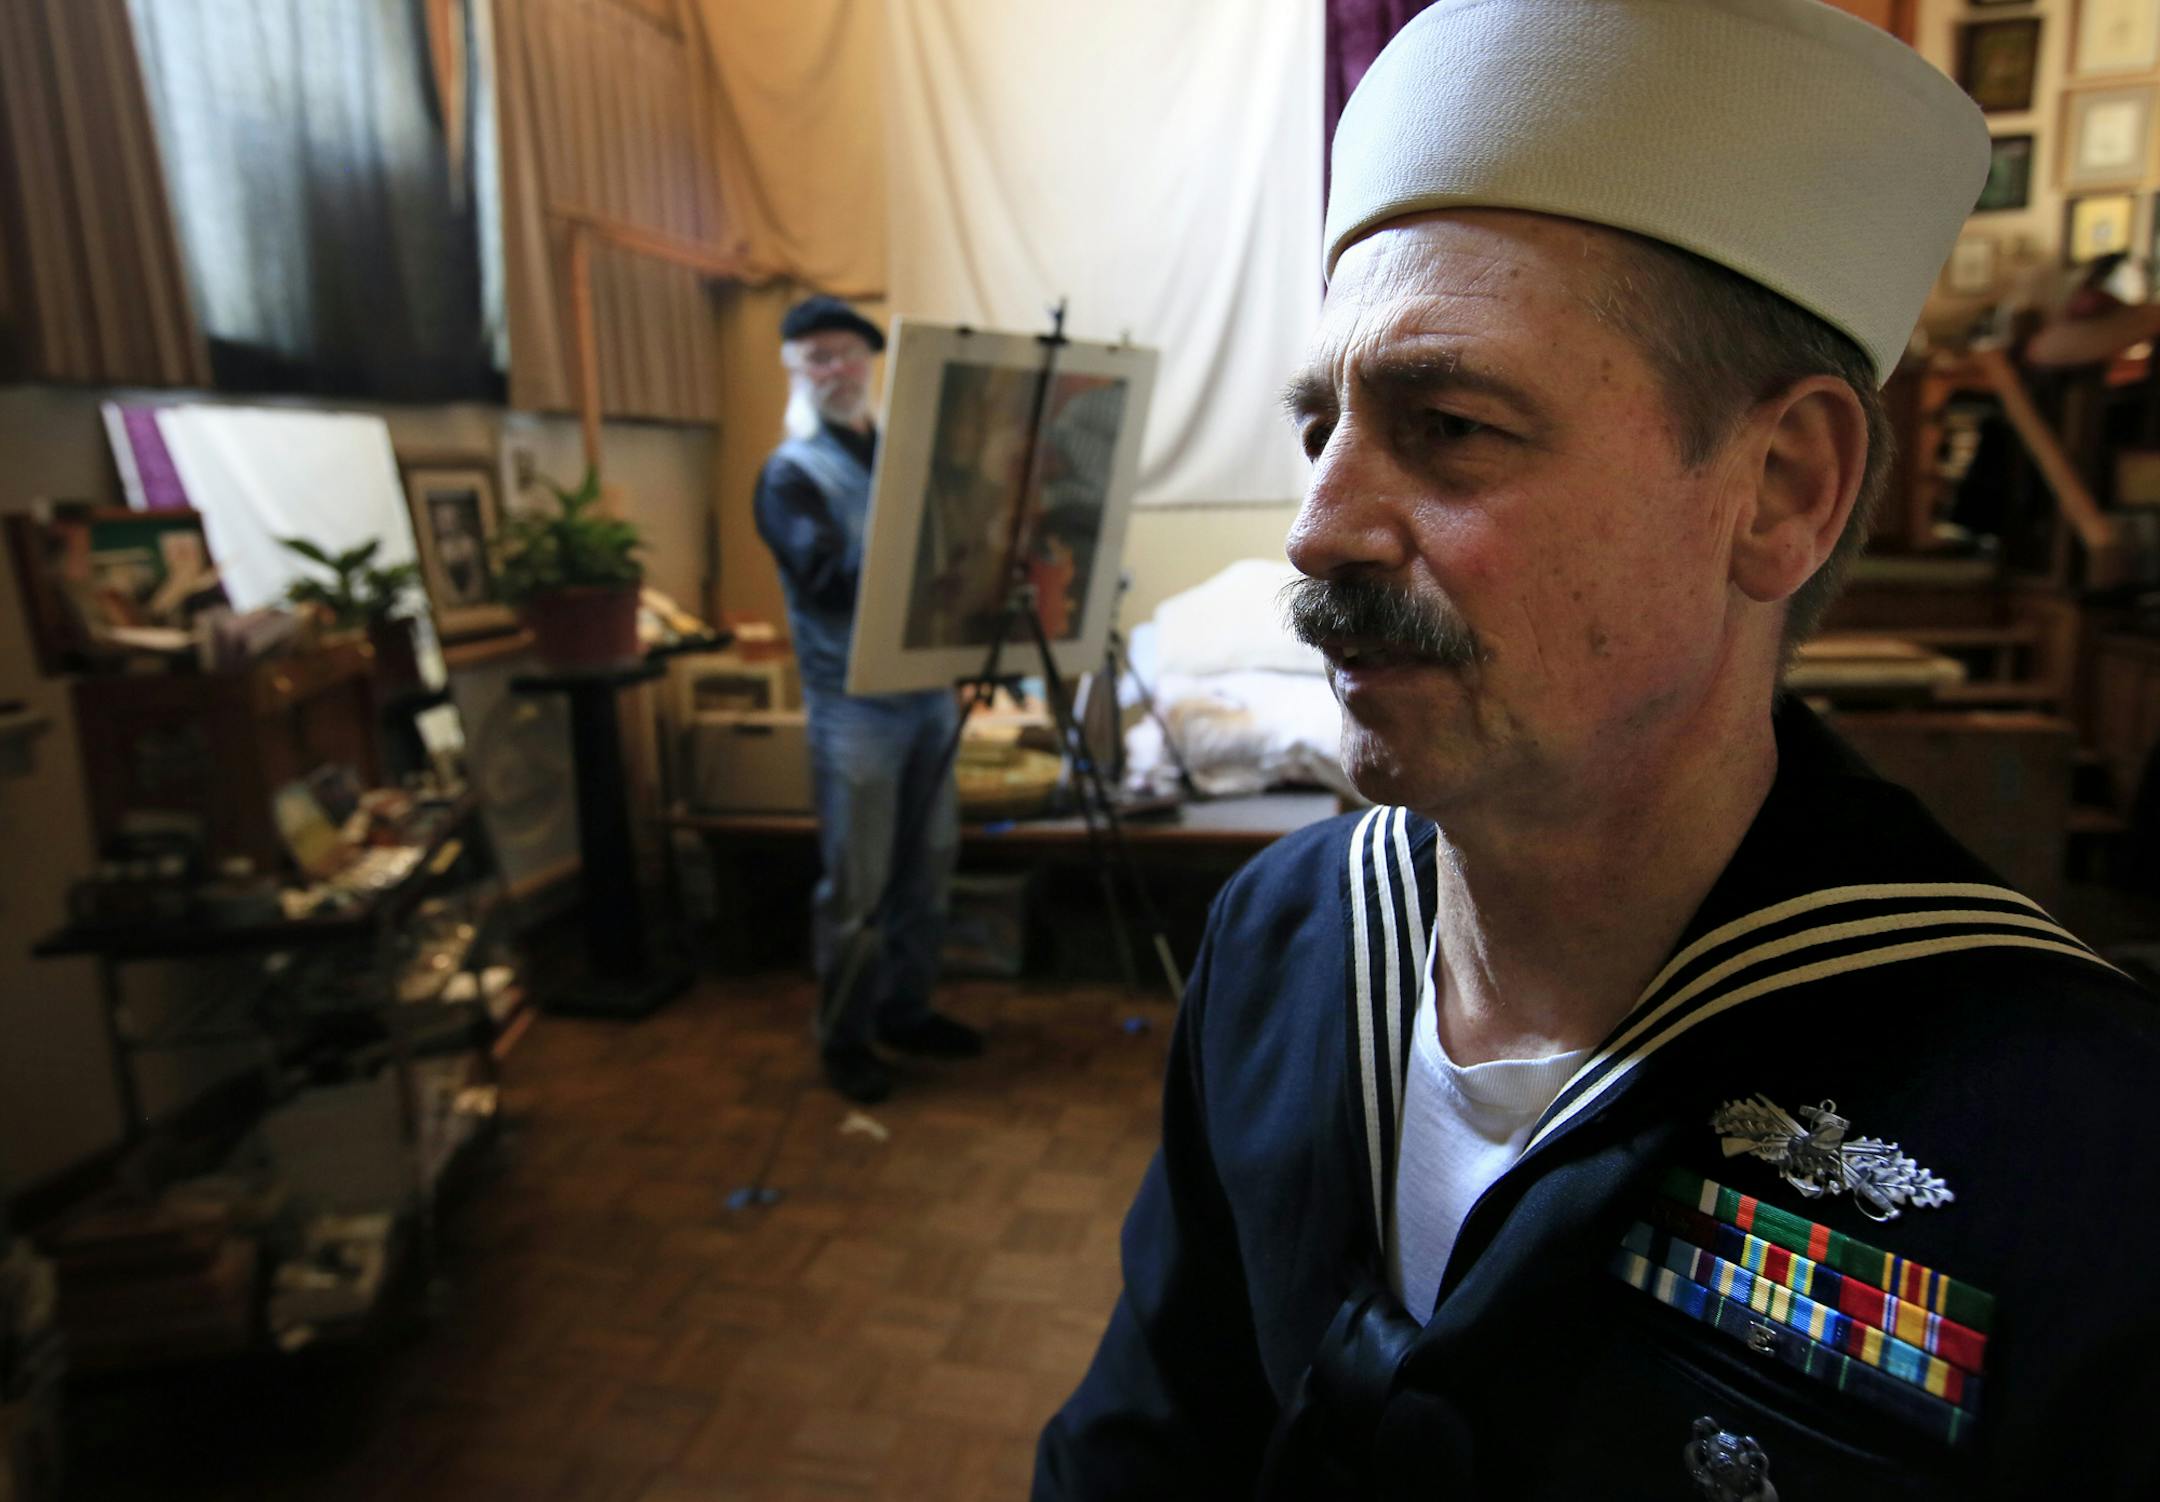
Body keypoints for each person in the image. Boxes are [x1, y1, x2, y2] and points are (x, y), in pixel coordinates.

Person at [1036, 3, 2160, 1498]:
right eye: (1322, 426)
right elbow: (1147, 1447)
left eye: (1446, 424)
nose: (1317, 525)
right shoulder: (1286, 937)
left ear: (1779, 490)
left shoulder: (2077, 1136)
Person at [753, 294, 983, 1104]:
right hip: (853, 707)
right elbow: (825, 580)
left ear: (869, 364)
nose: (836, 369)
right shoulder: (790, 474)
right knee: (858, 884)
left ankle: (905, 1010)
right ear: (796, 371)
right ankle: (845, 1038)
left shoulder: (900, 456)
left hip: (925, 694)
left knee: (929, 866)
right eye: (817, 356)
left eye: (847, 353)